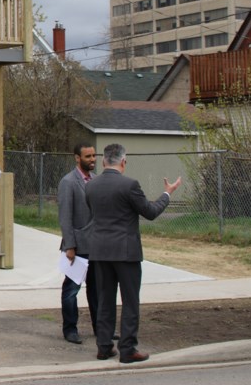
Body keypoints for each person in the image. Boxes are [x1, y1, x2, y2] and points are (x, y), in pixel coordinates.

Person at [86, 143, 181, 364]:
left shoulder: (91, 186)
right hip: (126, 252)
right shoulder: (130, 185)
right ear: (123, 162)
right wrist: (167, 193)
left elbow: (94, 212)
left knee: (104, 300)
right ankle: (127, 348)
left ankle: (104, 346)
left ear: (103, 161)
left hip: (99, 250)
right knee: (130, 301)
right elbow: (150, 212)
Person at [58, 143, 98, 344]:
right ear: (77, 158)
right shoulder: (69, 182)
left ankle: (100, 328)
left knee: (97, 289)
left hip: (97, 246)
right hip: (78, 247)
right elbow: (65, 217)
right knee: (71, 290)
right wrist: (70, 246)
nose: (92, 159)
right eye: (88, 156)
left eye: (93, 155)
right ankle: (70, 329)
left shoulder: (96, 181)